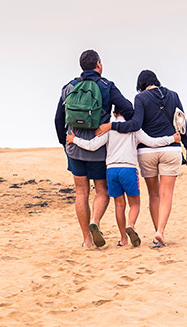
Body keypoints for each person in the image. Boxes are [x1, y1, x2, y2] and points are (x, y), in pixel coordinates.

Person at [96, 70, 187, 248]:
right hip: (170, 150)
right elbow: (182, 123)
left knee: (154, 194)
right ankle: (160, 233)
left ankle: (156, 229)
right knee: (167, 195)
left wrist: (112, 125)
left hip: (147, 152)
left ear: (141, 85)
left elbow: (135, 125)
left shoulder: (140, 98)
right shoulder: (174, 96)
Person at [54, 50, 134, 248]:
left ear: (82, 66)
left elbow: (58, 118)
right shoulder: (107, 86)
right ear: (98, 64)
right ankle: (95, 222)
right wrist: (112, 123)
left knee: (81, 192)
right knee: (102, 190)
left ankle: (87, 240)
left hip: (74, 147)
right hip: (98, 150)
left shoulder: (69, 87)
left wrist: (64, 143)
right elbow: (129, 109)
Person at [67, 109, 180, 247]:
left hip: (111, 171)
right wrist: (172, 139)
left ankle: (123, 239)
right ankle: (131, 225)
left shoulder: (108, 128)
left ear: (114, 114)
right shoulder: (134, 129)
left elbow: (91, 145)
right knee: (135, 204)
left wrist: (74, 139)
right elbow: (152, 142)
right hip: (129, 169)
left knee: (119, 205)